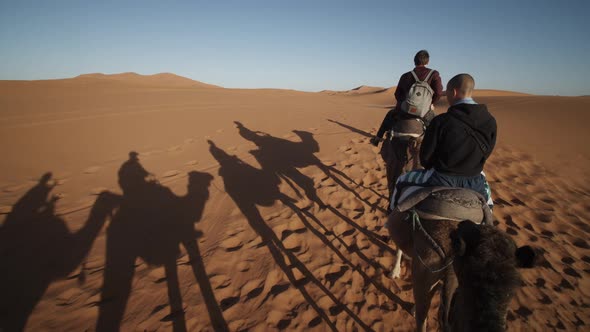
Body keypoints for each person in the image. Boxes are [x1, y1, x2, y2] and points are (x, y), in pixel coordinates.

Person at [391, 73, 496, 211]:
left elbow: (425, 158)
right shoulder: (490, 121)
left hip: (440, 178)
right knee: (489, 205)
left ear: (454, 92)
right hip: (475, 180)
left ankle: (392, 214)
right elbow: (487, 152)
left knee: (401, 181)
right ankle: (488, 221)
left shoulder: (441, 121)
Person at [370, 50, 443, 206]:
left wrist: (406, 105)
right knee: (436, 129)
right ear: (427, 61)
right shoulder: (434, 74)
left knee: (390, 115)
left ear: (414, 61)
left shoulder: (406, 75)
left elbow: (397, 95)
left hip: (403, 112)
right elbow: (438, 93)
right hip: (425, 113)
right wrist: (429, 104)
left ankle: (377, 138)